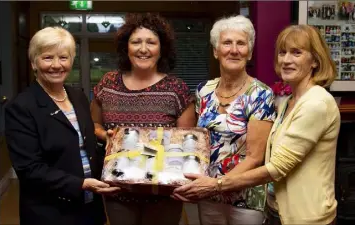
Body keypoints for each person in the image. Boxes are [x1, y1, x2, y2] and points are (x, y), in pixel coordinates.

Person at [173, 24, 340, 225]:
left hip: (306, 215)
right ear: (215, 51)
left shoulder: (315, 103)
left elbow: (275, 165)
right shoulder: (288, 101)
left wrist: (215, 185)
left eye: (297, 53)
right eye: (283, 53)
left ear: (314, 60)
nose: (286, 60)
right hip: (277, 208)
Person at [5, 27, 118, 225]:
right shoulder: (21, 107)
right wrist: (81, 184)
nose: (56, 65)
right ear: (34, 63)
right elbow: (30, 169)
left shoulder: (78, 96)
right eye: (47, 58)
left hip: (90, 207)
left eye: (63, 58)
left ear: (71, 61)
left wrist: (111, 145)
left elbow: (84, 147)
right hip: (51, 213)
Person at [91, 13, 196, 225]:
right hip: (118, 190)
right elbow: (93, 124)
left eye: (151, 42)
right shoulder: (108, 84)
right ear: (126, 47)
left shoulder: (177, 89)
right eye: (136, 42)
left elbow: (186, 146)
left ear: (161, 48)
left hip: (164, 192)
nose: (143, 49)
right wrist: (106, 136)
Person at [173, 15, 276, 225]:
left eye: (241, 43)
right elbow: (196, 144)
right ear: (215, 51)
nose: (234, 50)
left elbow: (255, 158)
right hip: (208, 194)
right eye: (227, 43)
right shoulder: (203, 91)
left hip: (246, 198)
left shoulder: (261, 94)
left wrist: (216, 184)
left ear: (250, 52)